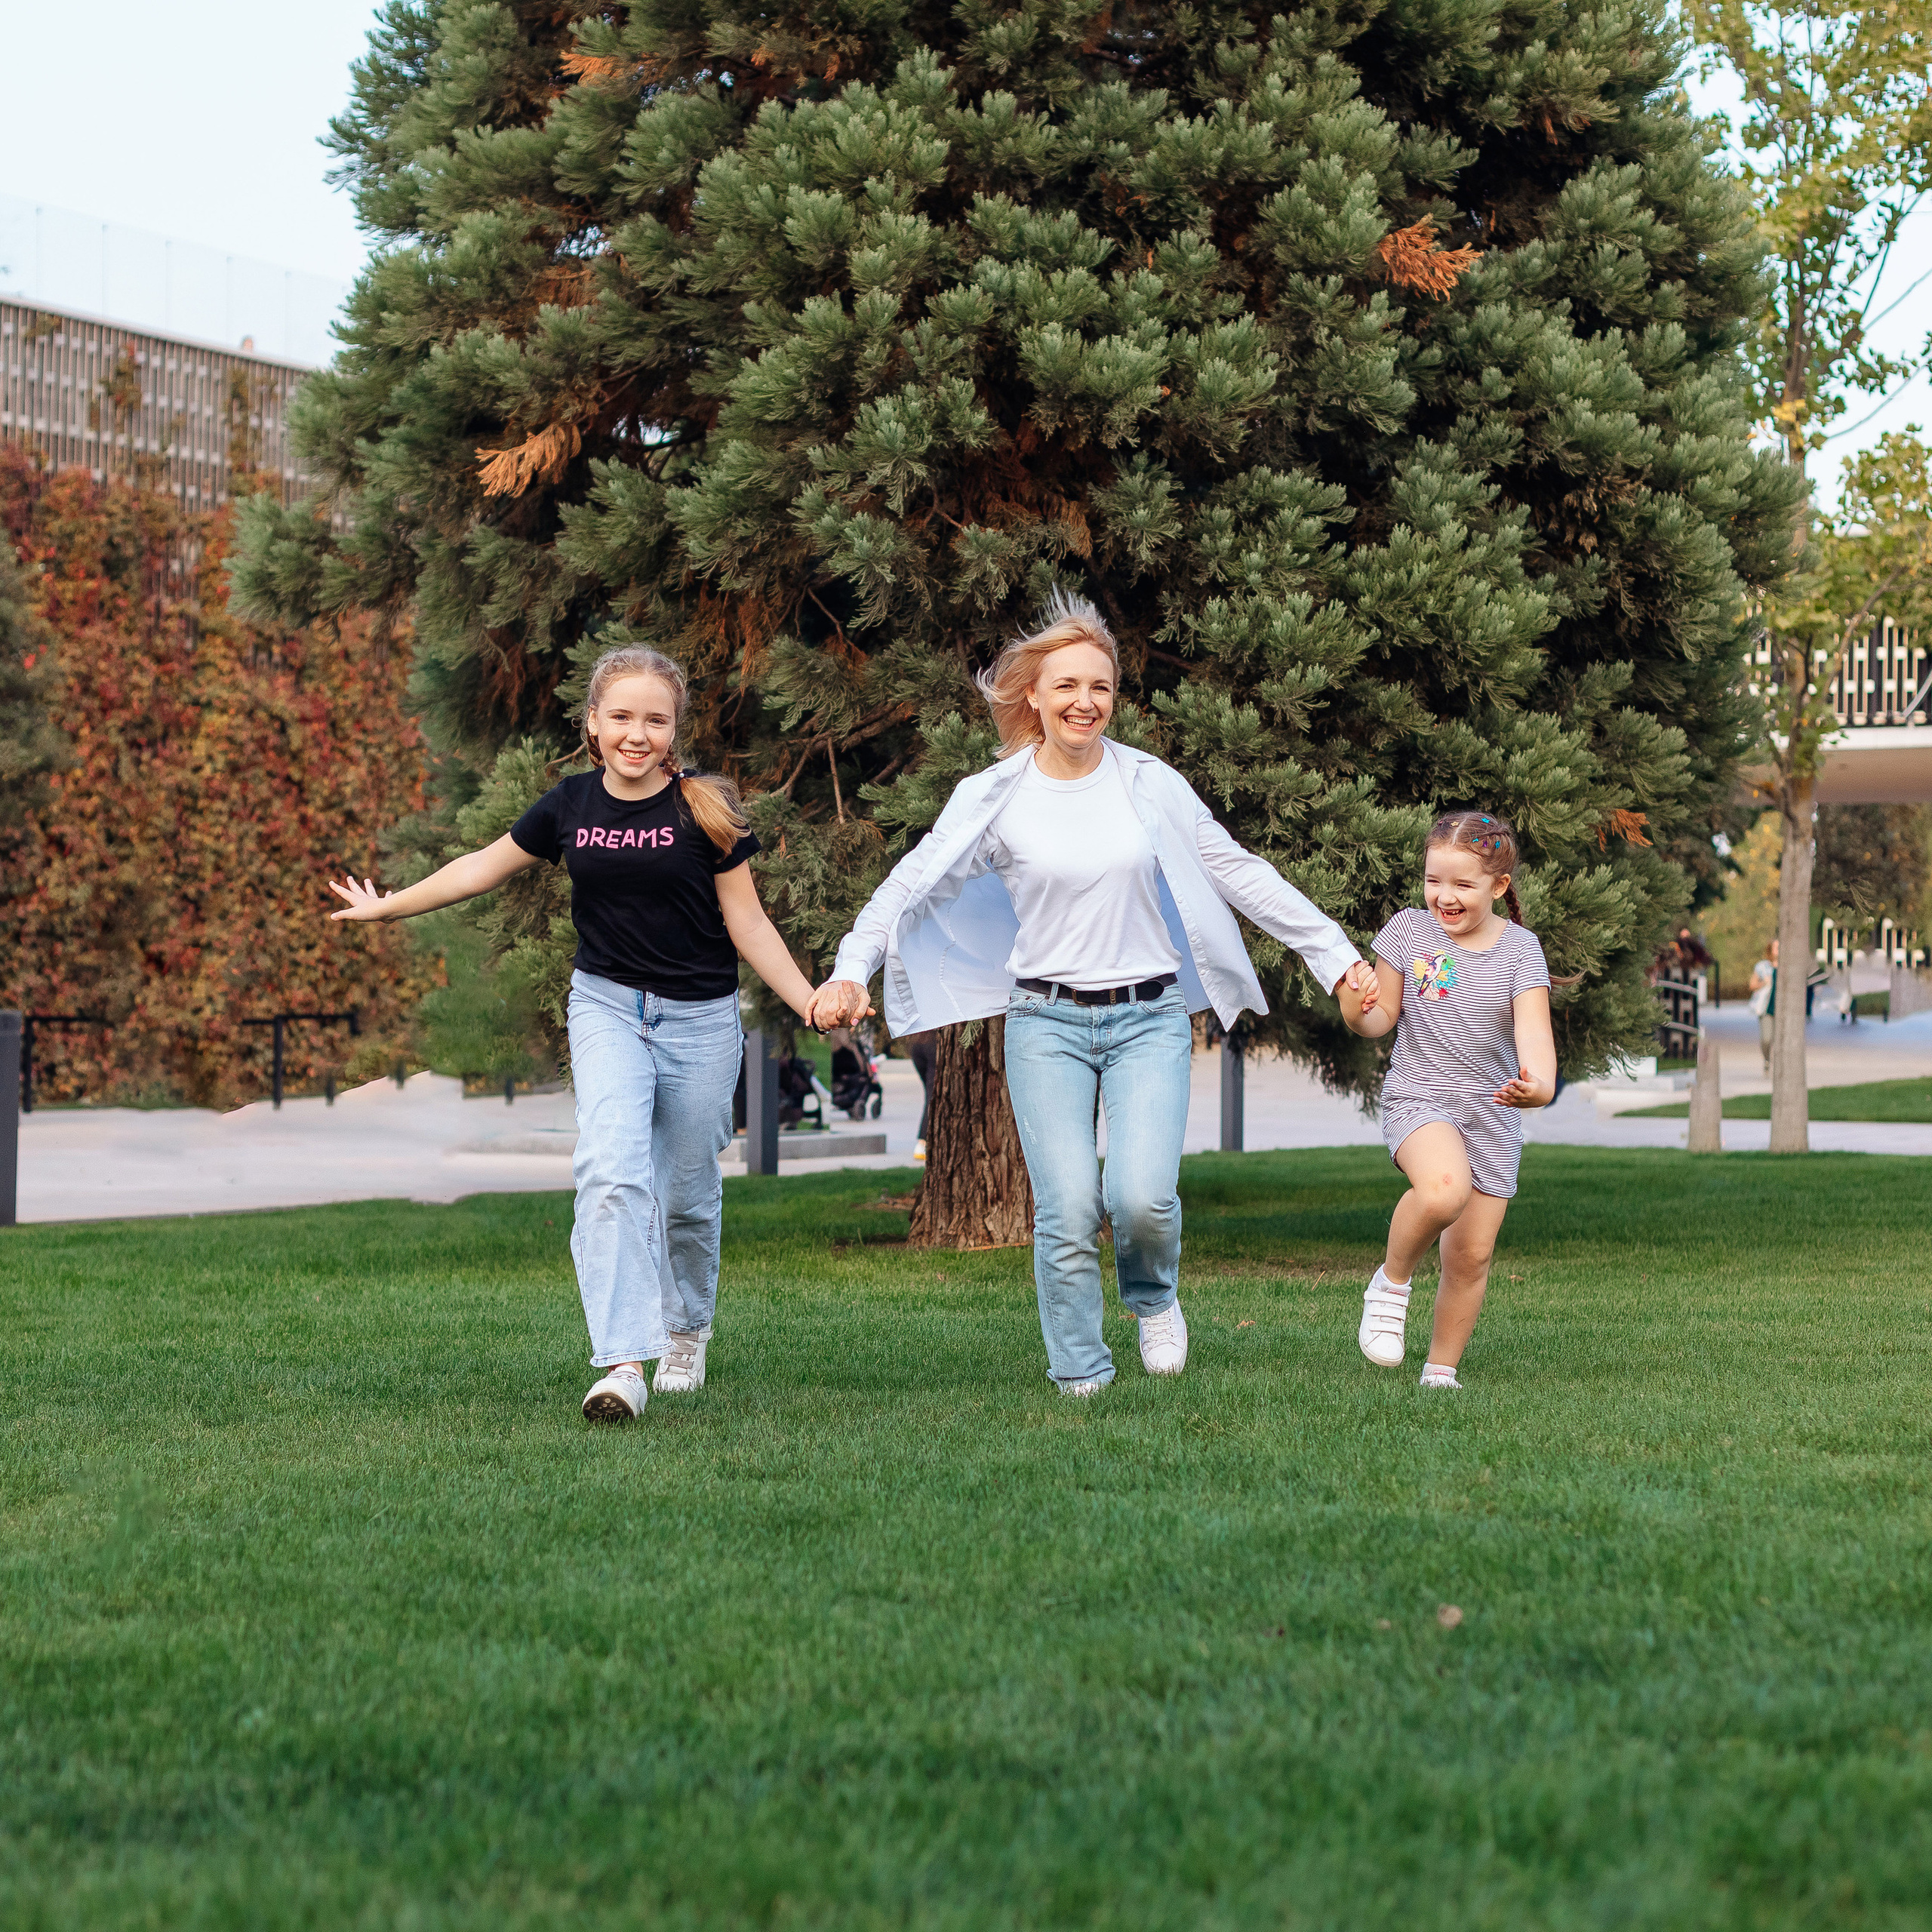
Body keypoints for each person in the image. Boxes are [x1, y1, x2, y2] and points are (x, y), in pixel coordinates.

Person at [806, 592, 1370, 1396]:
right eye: (1066, 685)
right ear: (1032, 694)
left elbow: (1237, 870)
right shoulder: (993, 796)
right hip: (1046, 1021)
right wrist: (849, 966)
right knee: (1067, 1207)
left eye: (1100, 687)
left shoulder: (1150, 784)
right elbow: (911, 882)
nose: (1084, 702)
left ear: (1114, 696)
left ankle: (1153, 1298)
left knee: (1141, 1199)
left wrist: (1335, 954)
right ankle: (1079, 1371)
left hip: (1148, 1019)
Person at [328, 644, 816, 1423]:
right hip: (607, 1006)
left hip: (698, 1017)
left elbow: (747, 921)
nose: (636, 733)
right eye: (620, 716)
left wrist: (808, 997)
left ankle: (685, 1327)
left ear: (673, 728)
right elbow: (479, 868)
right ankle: (624, 1361)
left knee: (687, 1192)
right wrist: (388, 907)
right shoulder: (569, 805)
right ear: (593, 723)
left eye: (654, 719)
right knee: (610, 1167)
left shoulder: (706, 810)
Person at [1337, 812, 1557, 1390]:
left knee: (1471, 1256)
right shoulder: (1409, 933)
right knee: (1443, 1190)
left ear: (1499, 886)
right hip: (1421, 1096)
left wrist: (1539, 1085)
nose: (1444, 896)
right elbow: (1380, 1018)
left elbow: (1534, 1035)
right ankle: (1390, 1284)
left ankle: (1440, 1372)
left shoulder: (1520, 950)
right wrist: (1353, 1005)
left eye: (1463, 884)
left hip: (1492, 1114)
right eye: (1435, 880)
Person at [1749, 941, 1777, 1073]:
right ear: (1770, 950)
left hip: (1783, 1010)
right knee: (1766, 1039)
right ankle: (1767, 1059)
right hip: (1766, 1008)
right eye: (1777, 947)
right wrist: (1764, 983)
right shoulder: (1762, 967)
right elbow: (1752, 985)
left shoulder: (1788, 967)